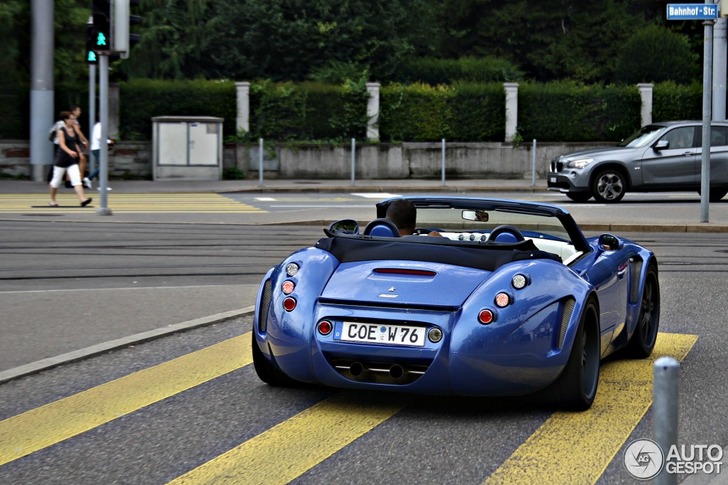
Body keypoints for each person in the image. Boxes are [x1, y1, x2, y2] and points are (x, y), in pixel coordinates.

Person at [48, 111, 93, 207]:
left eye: (74, 119)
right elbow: (62, 144)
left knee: (76, 179)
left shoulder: (73, 130)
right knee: (56, 181)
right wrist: (70, 152)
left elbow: (76, 143)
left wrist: (80, 153)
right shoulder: (61, 130)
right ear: (66, 120)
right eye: (72, 119)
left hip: (72, 160)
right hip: (61, 159)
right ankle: (52, 200)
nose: (74, 121)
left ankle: (82, 199)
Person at [84, 120, 114, 191]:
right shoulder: (99, 126)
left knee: (102, 167)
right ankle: (90, 178)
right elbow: (98, 137)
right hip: (97, 148)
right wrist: (108, 141)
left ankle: (96, 182)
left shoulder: (98, 126)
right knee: (103, 167)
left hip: (97, 148)